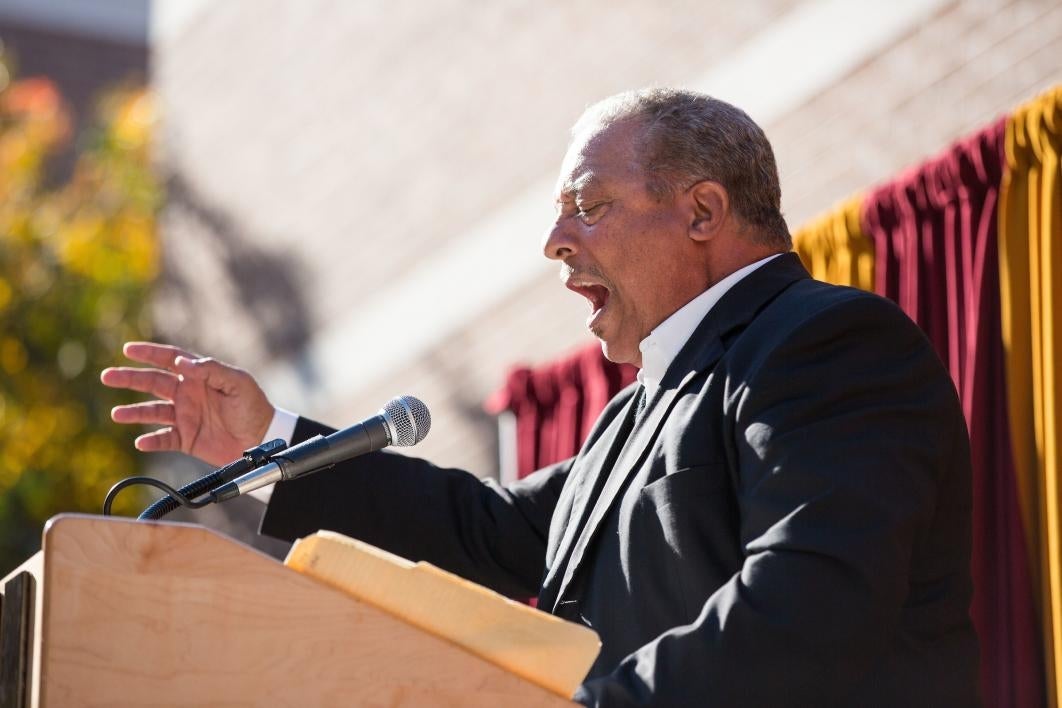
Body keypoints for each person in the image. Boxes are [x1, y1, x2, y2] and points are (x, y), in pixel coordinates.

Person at [102, 88, 980, 706]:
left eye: (587, 207)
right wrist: (269, 442)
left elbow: (804, 613)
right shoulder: (637, 408)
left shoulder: (825, 344)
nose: (555, 243)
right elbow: (488, 529)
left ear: (704, 212)